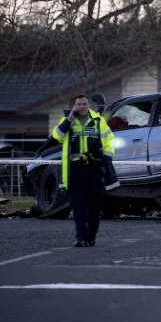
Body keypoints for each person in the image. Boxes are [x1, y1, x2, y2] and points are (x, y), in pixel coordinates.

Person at [52, 94, 115, 247]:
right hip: (75, 168)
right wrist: (69, 120)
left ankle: (91, 236)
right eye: (78, 104)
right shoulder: (67, 120)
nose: (81, 107)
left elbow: (109, 141)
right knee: (77, 203)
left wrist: (105, 163)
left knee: (94, 204)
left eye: (84, 104)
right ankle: (81, 236)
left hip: (94, 167)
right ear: (75, 106)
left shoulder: (98, 121)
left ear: (88, 105)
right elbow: (57, 136)